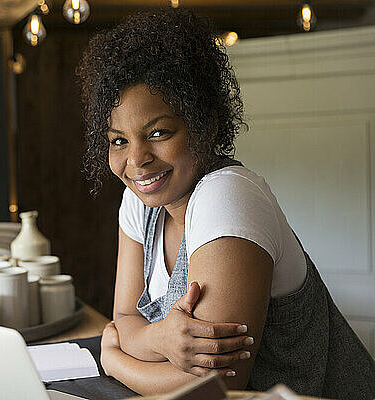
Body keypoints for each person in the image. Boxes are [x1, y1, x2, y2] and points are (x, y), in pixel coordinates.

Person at [75, 9, 375, 399]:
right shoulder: (141, 200)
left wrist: (115, 360)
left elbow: (216, 384)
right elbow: (124, 318)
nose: (136, 160)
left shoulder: (227, 197)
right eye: (119, 140)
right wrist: (160, 338)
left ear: (206, 125)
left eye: (159, 133)